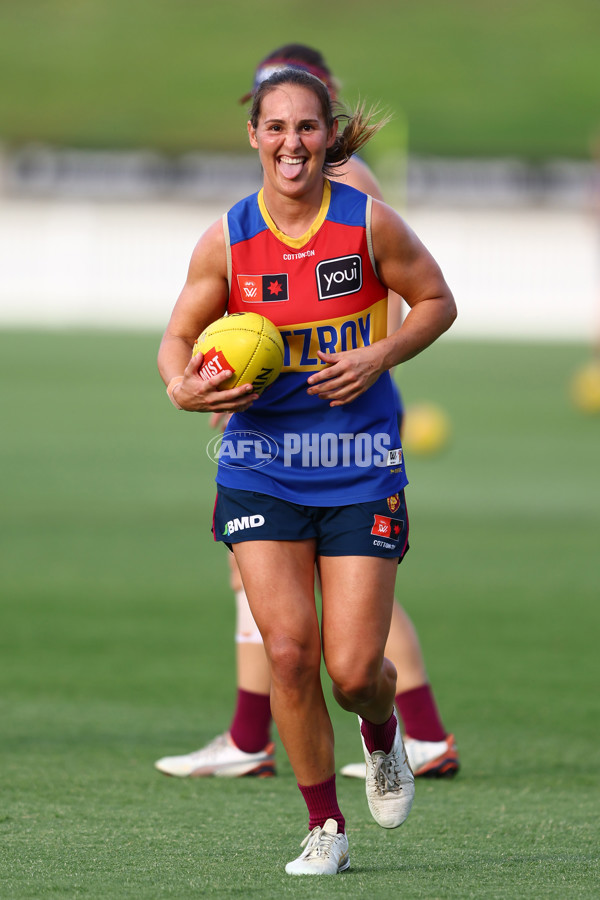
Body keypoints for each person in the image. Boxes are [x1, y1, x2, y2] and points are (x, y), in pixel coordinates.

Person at [157, 67, 456, 874]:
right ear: (255, 136)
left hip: (358, 464)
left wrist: (381, 355)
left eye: (308, 128)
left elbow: (437, 301)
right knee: (288, 651)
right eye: (276, 128)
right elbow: (177, 337)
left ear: (330, 136)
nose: (293, 144)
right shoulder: (227, 237)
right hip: (260, 465)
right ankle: (326, 826)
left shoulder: (369, 225)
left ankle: (384, 731)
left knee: (355, 670)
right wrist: (183, 385)